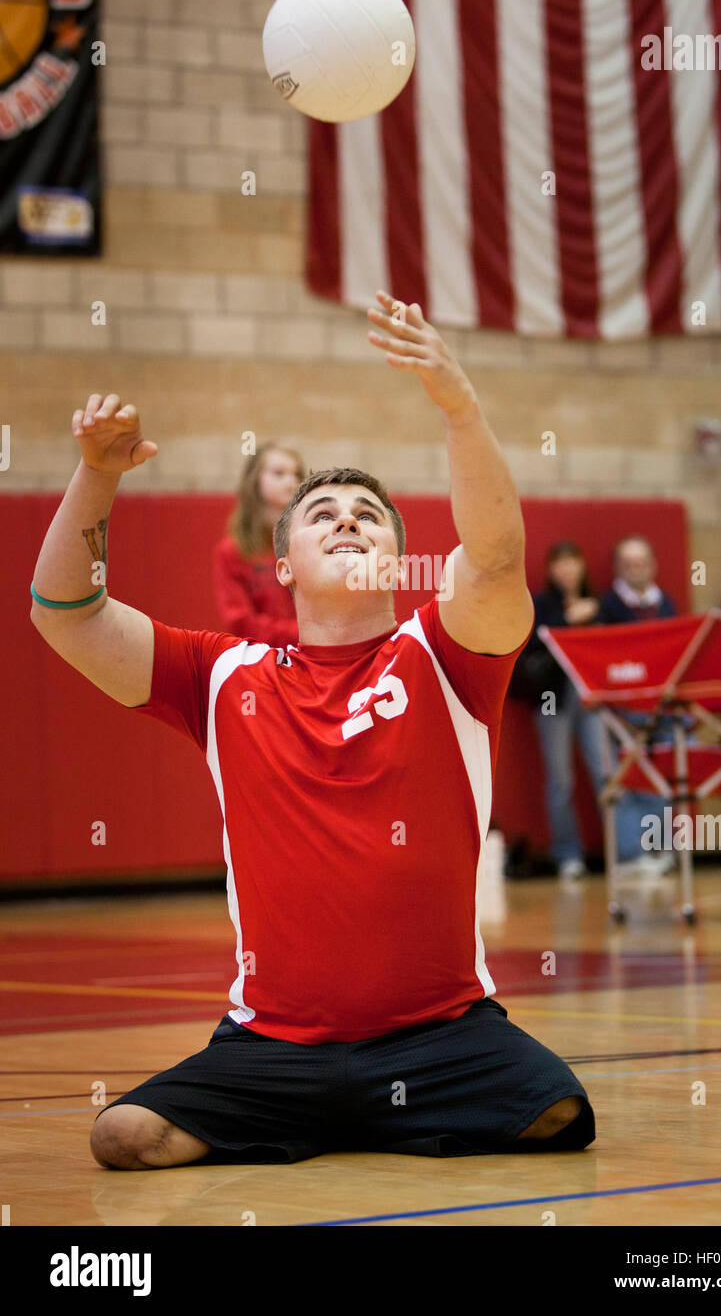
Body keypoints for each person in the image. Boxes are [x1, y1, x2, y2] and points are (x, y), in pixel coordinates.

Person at [30, 290, 595, 1168]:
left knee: (558, 1112)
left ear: (399, 561)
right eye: (321, 514)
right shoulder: (222, 676)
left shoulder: (443, 654)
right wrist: (97, 472)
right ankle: (341, 1112)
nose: (346, 521)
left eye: (368, 516)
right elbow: (65, 612)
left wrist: (459, 407)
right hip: (274, 1046)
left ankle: (349, 1115)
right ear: (282, 565)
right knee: (122, 1135)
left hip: (440, 1036)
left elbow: (490, 558)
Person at [510, 542, 603, 880]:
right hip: (552, 698)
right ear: (551, 570)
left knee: (606, 772)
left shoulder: (597, 604)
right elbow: (529, 644)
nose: (566, 570)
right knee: (561, 778)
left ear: (581, 566)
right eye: (559, 564)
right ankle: (568, 855)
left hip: (591, 698)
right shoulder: (541, 604)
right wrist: (567, 619)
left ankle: (627, 853)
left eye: (572, 562)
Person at [597, 534, 679, 875]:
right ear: (619, 568)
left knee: (666, 776)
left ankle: (662, 849)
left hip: (661, 703)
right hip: (623, 706)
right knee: (626, 777)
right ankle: (632, 854)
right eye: (628, 564)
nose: (636, 569)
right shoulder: (608, 606)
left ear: (653, 565)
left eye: (641, 563)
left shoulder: (667, 604)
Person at [212, 442, 305, 645]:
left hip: (313, 655)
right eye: (279, 473)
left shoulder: (310, 541)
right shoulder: (232, 551)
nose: (291, 481)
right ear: (255, 481)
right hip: (261, 658)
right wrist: (307, 633)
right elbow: (241, 622)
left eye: (296, 474)